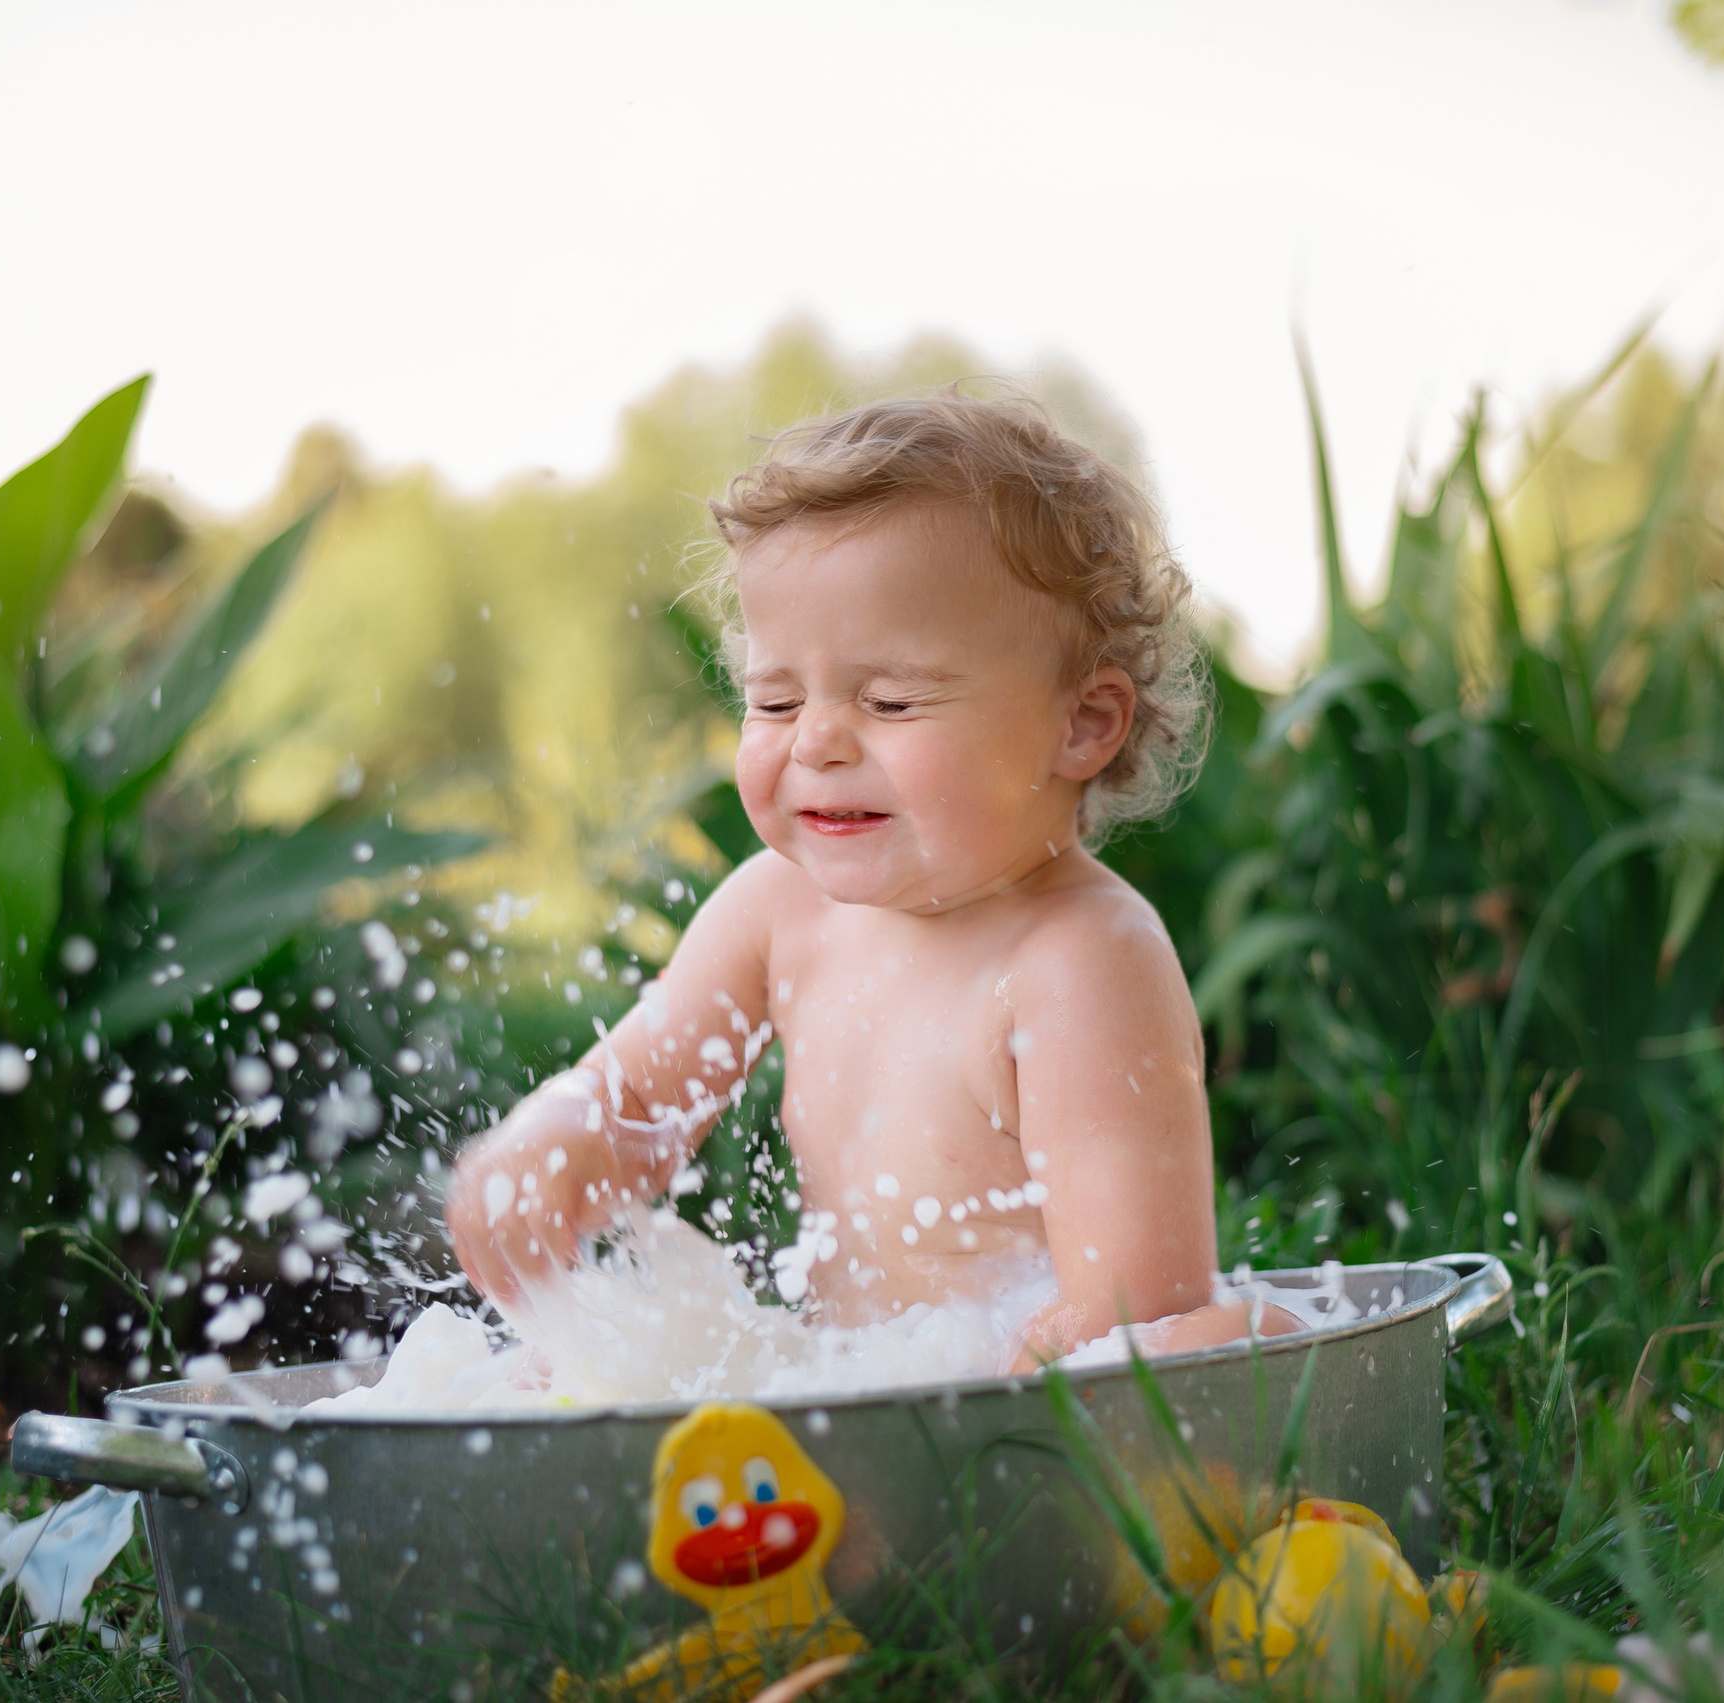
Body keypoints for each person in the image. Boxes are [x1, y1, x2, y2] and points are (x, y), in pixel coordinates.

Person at [446, 387, 1290, 1369]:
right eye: (773, 698)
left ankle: (1284, 1347)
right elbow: (640, 1101)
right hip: (857, 1388)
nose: (815, 741)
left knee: (1204, 1339)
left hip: (1009, 1400)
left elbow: (1131, 1315)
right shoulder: (777, 905)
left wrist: (1054, 1374)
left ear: (1083, 723)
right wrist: (552, 1138)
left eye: (888, 699)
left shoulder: (1080, 960)